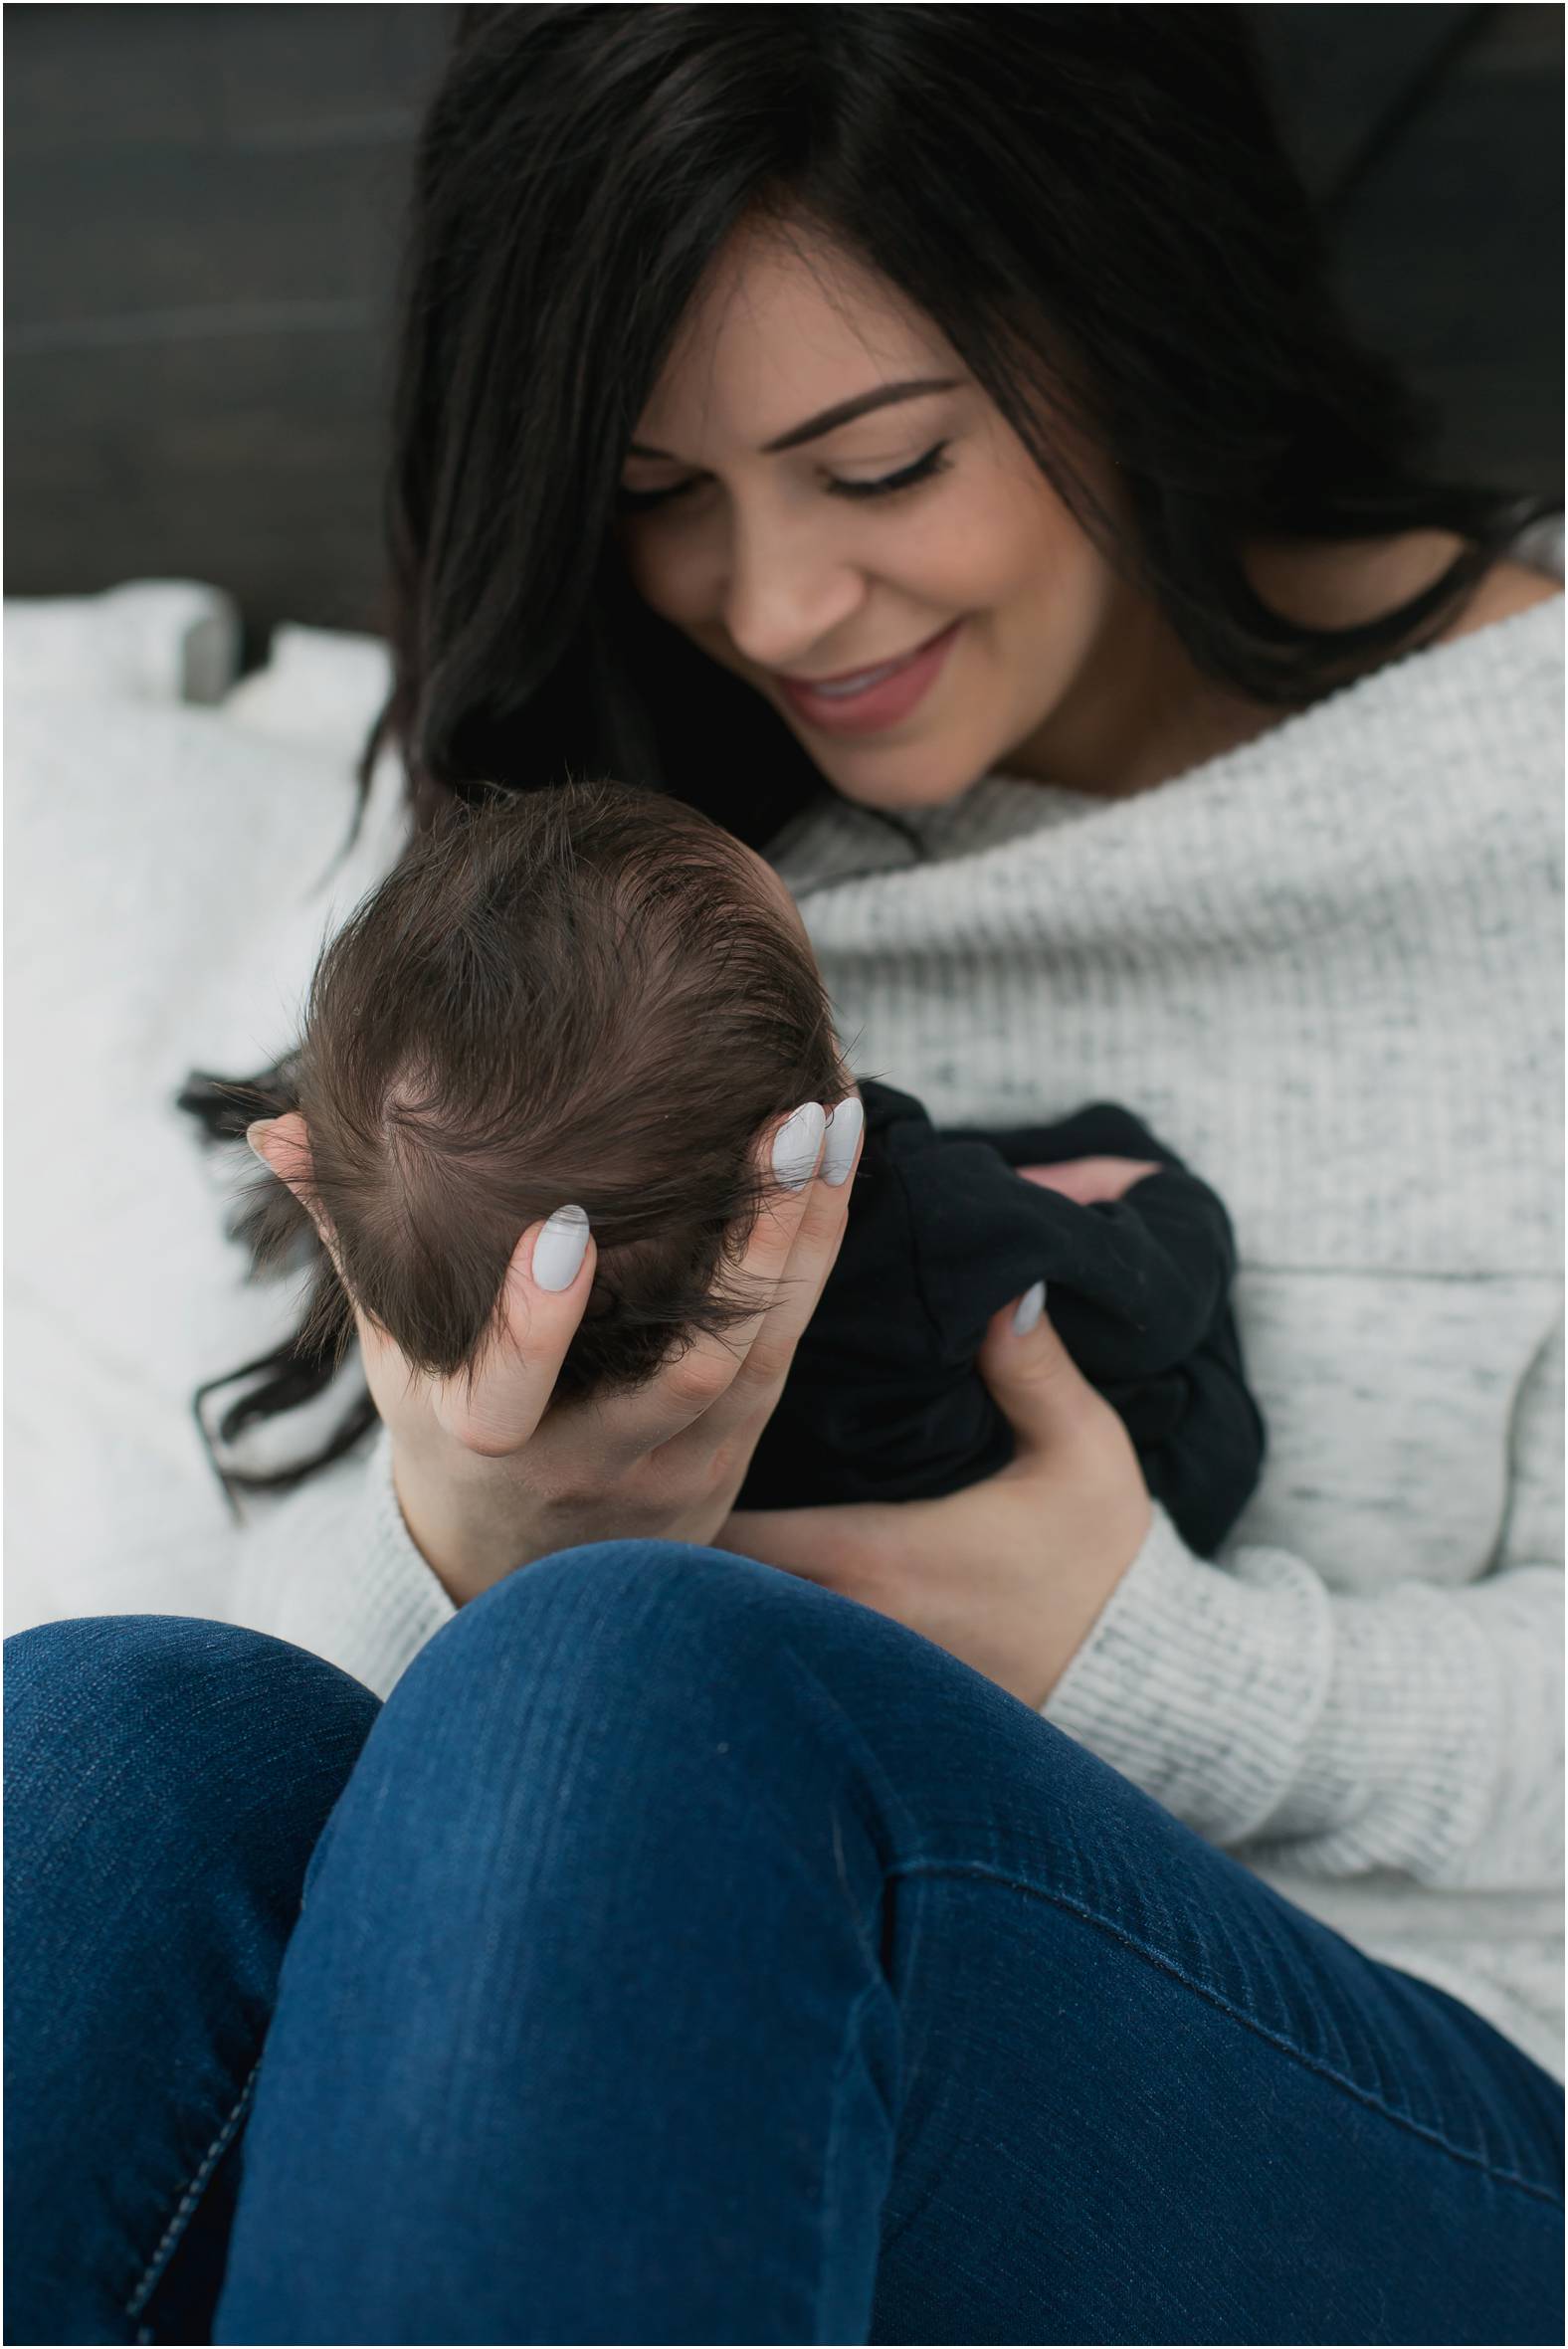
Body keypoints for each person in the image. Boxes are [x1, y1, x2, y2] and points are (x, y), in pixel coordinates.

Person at [5, 9, 1562, 2343]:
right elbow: (383, 1816)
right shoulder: (664, 879)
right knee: (108, 1740)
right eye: (655, 493)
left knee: (633, 1685)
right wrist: (485, 1528)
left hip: (1443, 2108)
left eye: (884, 459)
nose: (774, 607)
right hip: (686, 2065)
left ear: (1138, 303)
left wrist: (1141, 1657)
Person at [218, 774, 1264, 1551]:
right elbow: (1152, 1300)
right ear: (812, 1109)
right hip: (1068, 1503)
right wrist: (1164, 1199)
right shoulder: (930, 1222)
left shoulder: (479, 1334)